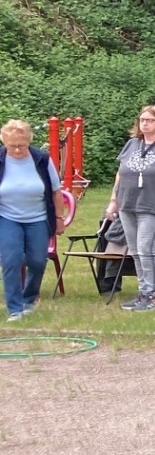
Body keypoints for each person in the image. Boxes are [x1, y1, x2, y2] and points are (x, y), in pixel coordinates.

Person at [103, 105, 155, 312]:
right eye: (142, 120)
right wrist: (114, 201)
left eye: (149, 120)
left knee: (146, 248)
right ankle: (143, 292)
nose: (145, 123)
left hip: (153, 205)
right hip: (127, 203)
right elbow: (120, 174)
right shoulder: (132, 144)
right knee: (136, 251)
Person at [1, 119, 66, 322]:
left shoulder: (41, 159)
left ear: (29, 141)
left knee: (37, 261)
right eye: (12, 146)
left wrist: (59, 218)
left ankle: (28, 300)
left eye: (22, 145)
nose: (18, 150)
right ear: (4, 142)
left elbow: (56, 192)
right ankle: (14, 308)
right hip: (7, 217)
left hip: (38, 217)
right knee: (12, 260)